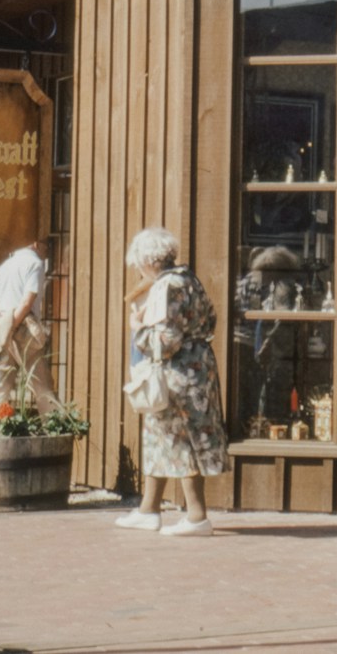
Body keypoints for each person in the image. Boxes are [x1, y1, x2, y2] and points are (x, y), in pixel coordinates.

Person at [116, 227, 230, 536]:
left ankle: (197, 517)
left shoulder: (167, 286)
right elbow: (210, 320)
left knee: (181, 440)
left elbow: (165, 340)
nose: (138, 269)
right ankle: (148, 510)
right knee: (160, 438)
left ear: (149, 260)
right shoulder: (189, 279)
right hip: (197, 367)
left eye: (138, 262)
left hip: (177, 373)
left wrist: (138, 328)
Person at [0, 238, 60, 413]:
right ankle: (53, 427)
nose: (47, 251)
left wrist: (3, 325)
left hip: (3, 331)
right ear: (36, 245)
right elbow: (26, 303)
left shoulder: (5, 266)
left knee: (0, 385)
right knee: (42, 385)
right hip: (25, 330)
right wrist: (12, 325)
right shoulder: (35, 263)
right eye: (47, 246)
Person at [232, 245, 302, 429]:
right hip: (248, 343)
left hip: (255, 342)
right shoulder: (264, 283)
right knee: (252, 389)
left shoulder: (274, 284)